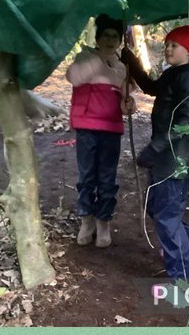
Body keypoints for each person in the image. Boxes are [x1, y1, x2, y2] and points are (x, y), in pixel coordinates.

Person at [121, 23, 189, 282]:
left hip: (174, 158)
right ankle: (188, 251)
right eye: (166, 45)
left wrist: (154, 149)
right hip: (167, 155)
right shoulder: (175, 73)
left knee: (167, 215)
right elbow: (153, 88)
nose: (168, 49)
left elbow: (184, 123)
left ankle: (183, 278)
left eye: (174, 45)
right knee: (160, 208)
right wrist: (131, 62)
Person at [64, 14, 132, 248]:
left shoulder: (123, 66)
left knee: (107, 178)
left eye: (115, 35)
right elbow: (74, 78)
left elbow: (125, 101)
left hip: (112, 127)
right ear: (98, 37)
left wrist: (128, 104)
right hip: (87, 127)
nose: (111, 39)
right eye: (106, 35)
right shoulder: (86, 57)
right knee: (87, 176)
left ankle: (103, 221)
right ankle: (86, 220)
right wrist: (100, 61)